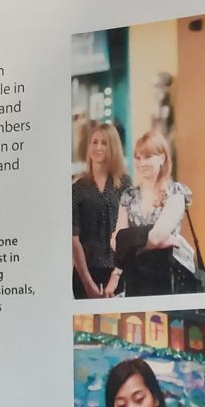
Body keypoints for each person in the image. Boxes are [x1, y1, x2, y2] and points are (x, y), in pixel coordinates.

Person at [106, 131, 197, 296]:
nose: (141, 163)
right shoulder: (129, 195)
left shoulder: (175, 192)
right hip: (135, 276)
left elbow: (156, 236)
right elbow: (116, 241)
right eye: (138, 158)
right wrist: (157, 243)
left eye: (147, 157)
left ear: (162, 158)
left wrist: (130, 242)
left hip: (167, 276)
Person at [72, 123, 131, 298]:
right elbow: (73, 238)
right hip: (86, 272)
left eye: (104, 143)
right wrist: (88, 283)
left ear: (113, 147)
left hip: (118, 271)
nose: (98, 147)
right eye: (94, 142)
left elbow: (128, 232)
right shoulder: (78, 188)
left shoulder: (124, 184)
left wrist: (116, 276)